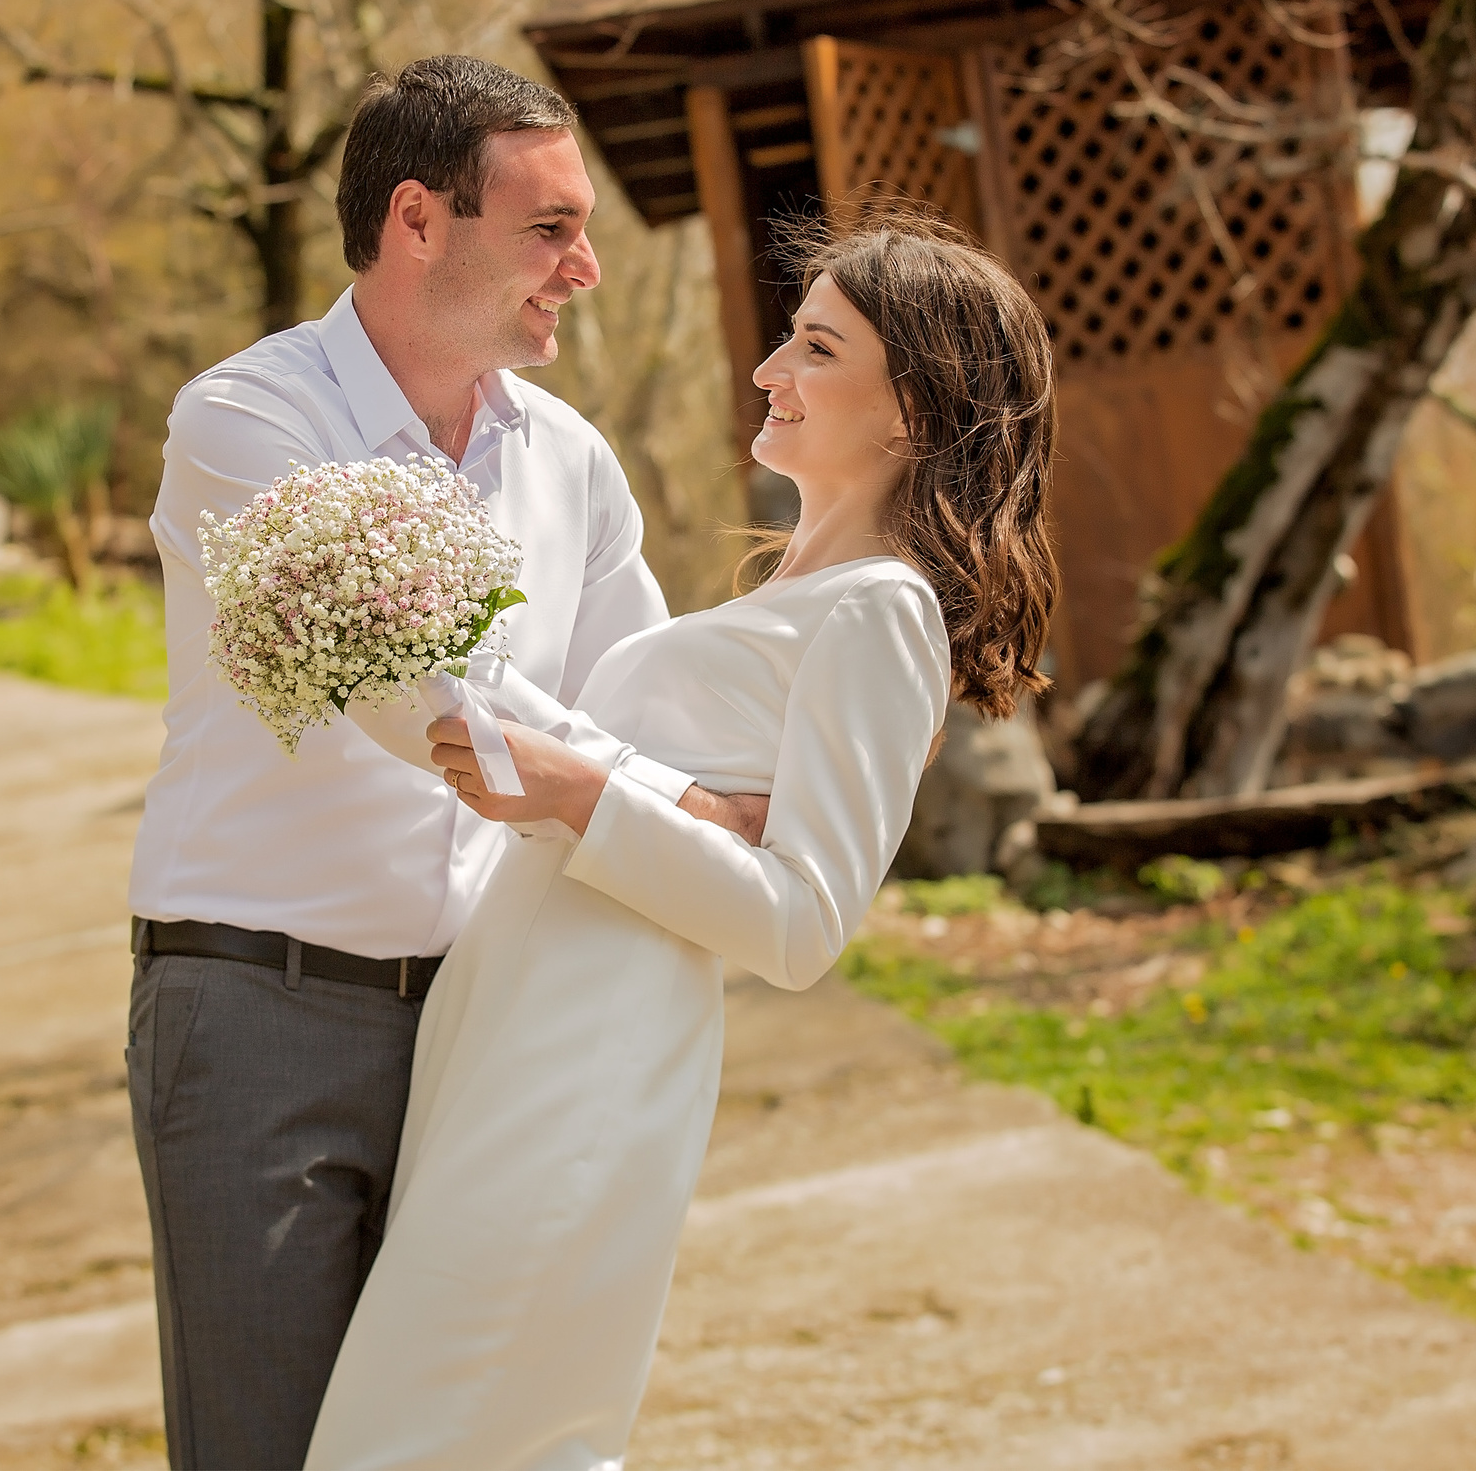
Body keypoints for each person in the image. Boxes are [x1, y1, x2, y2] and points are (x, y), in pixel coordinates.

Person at [304, 214, 1058, 1470]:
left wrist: (579, 793)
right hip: (508, 1019)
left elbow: (803, 922)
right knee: (452, 1428)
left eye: (816, 349)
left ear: (912, 414)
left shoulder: (880, 613)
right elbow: (626, 772)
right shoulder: (790, 595)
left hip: (596, 1042)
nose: (769, 371)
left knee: (436, 1427)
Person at [126, 54, 766, 1471]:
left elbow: (639, 697)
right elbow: (421, 704)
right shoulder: (247, 424)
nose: (586, 266)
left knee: (464, 1444)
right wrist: (676, 808)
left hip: (489, 1032)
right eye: (550, 228)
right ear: (419, 219)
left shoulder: (574, 461)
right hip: (254, 1016)